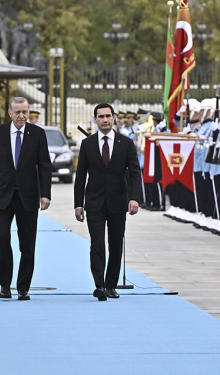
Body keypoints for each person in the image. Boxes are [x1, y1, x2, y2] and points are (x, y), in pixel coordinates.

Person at [0, 97, 52, 301]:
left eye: (25, 112)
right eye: (18, 112)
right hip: (2, 195)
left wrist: (45, 194)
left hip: (28, 197)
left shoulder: (37, 134)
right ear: (10, 113)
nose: (22, 116)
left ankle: (23, 287)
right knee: (2, 238)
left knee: (27, 243)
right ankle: (4, 284)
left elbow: (45, 166)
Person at [74, 103, 141, 301]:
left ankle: (111, 284)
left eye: (108, 116)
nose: (104, 120)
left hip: (118, 201)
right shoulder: (87, 144)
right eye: (100, 116)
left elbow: (135, 173)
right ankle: (99, 285)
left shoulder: (126, 143)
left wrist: (134, 198)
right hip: (94, 202)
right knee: (97, 244)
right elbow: (80, 176)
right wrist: (78, 204)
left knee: (115, 244)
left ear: (114, 118)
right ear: (95, 119)